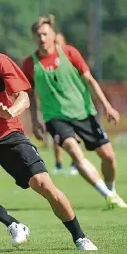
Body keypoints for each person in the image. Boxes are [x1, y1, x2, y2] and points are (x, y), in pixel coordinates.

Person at [0, 6, 98, 251]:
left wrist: (11, 111)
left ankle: (80, 237)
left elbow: (24, 97)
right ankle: (13, 224)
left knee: (45, 186)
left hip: (9, 136)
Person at [22, 15, 127, 209]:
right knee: (74, 151)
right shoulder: (30, 64)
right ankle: (108, 196)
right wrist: (36, 122)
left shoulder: (69, 53)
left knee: (109, 157)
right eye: (38, 35)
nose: (42, 38)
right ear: (34, 38)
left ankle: (111, 190)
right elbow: (29, 94)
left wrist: (107, 107)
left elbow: (90, 81)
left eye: (45, 34)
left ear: (53, 34)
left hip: (83, 113)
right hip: (55, 117)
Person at [51, 32, 78, 176]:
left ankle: (75, 164)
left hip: (72, 106)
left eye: (58, 41)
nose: (56, 44)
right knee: (57, 138)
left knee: (72, 137)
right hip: (55, 106)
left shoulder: (70, 58)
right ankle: (59, 165)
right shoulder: (47, 60)